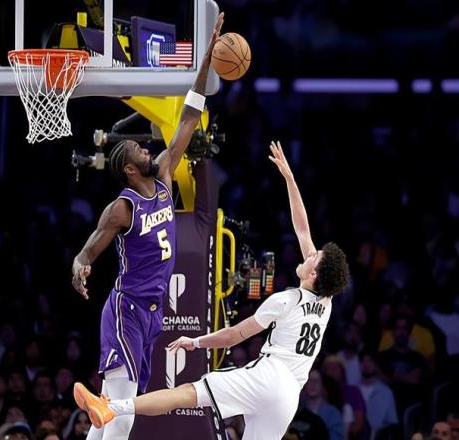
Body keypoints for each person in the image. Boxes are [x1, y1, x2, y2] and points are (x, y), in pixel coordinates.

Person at [73, 140, 350, 440]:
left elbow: (234, 335)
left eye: (314, 257)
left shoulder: (286, 300)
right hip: (289, 398)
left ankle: (112, 406)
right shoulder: (326, 299)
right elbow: (303, 229)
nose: (309, 253)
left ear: (314, 273)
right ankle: (109, 407)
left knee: (186, 394)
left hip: (268, 377)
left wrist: (196, 342)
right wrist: (290, 179)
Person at [70, 13, 225, 440]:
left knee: (109, 410)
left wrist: (206, 59)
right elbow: (89, 249)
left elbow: (189, 118)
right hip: (127, 309)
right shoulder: (123, 207)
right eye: (137, 150)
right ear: (129, 169)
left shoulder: (163, 175)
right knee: (122, 415)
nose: (145, 149)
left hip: (151, 315)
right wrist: (80, 265)